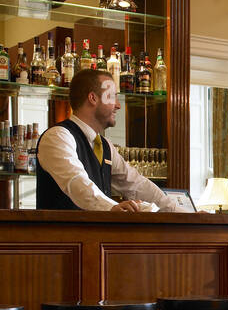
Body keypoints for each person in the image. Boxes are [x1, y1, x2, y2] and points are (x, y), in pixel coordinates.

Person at [36, 68, 188, 212]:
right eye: (113, 96)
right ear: (93, 98)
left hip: (96, 238)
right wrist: (112, 208)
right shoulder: (58, 137)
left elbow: (136, 184)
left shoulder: (104, 145)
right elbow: (76, 183)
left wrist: (184, 214)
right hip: (62, 238)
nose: (118, 105)